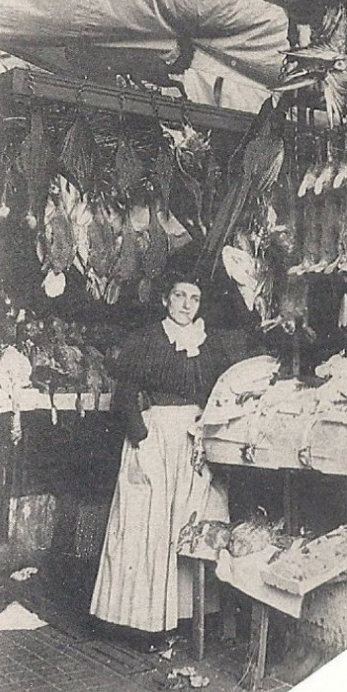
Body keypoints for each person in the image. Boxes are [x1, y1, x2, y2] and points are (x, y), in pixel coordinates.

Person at [90, 273, 249, 641]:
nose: (186, 304)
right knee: (150, 525)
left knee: (194, 522)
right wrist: (141, 436)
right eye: (179, 296)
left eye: (194, 298)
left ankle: (189, 616)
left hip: (195, 441)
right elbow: (124, 394)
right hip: (155, 439)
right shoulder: (147, 340)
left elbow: (223, 392)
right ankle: (141, 621)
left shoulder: (209, 344)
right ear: (166, 300)